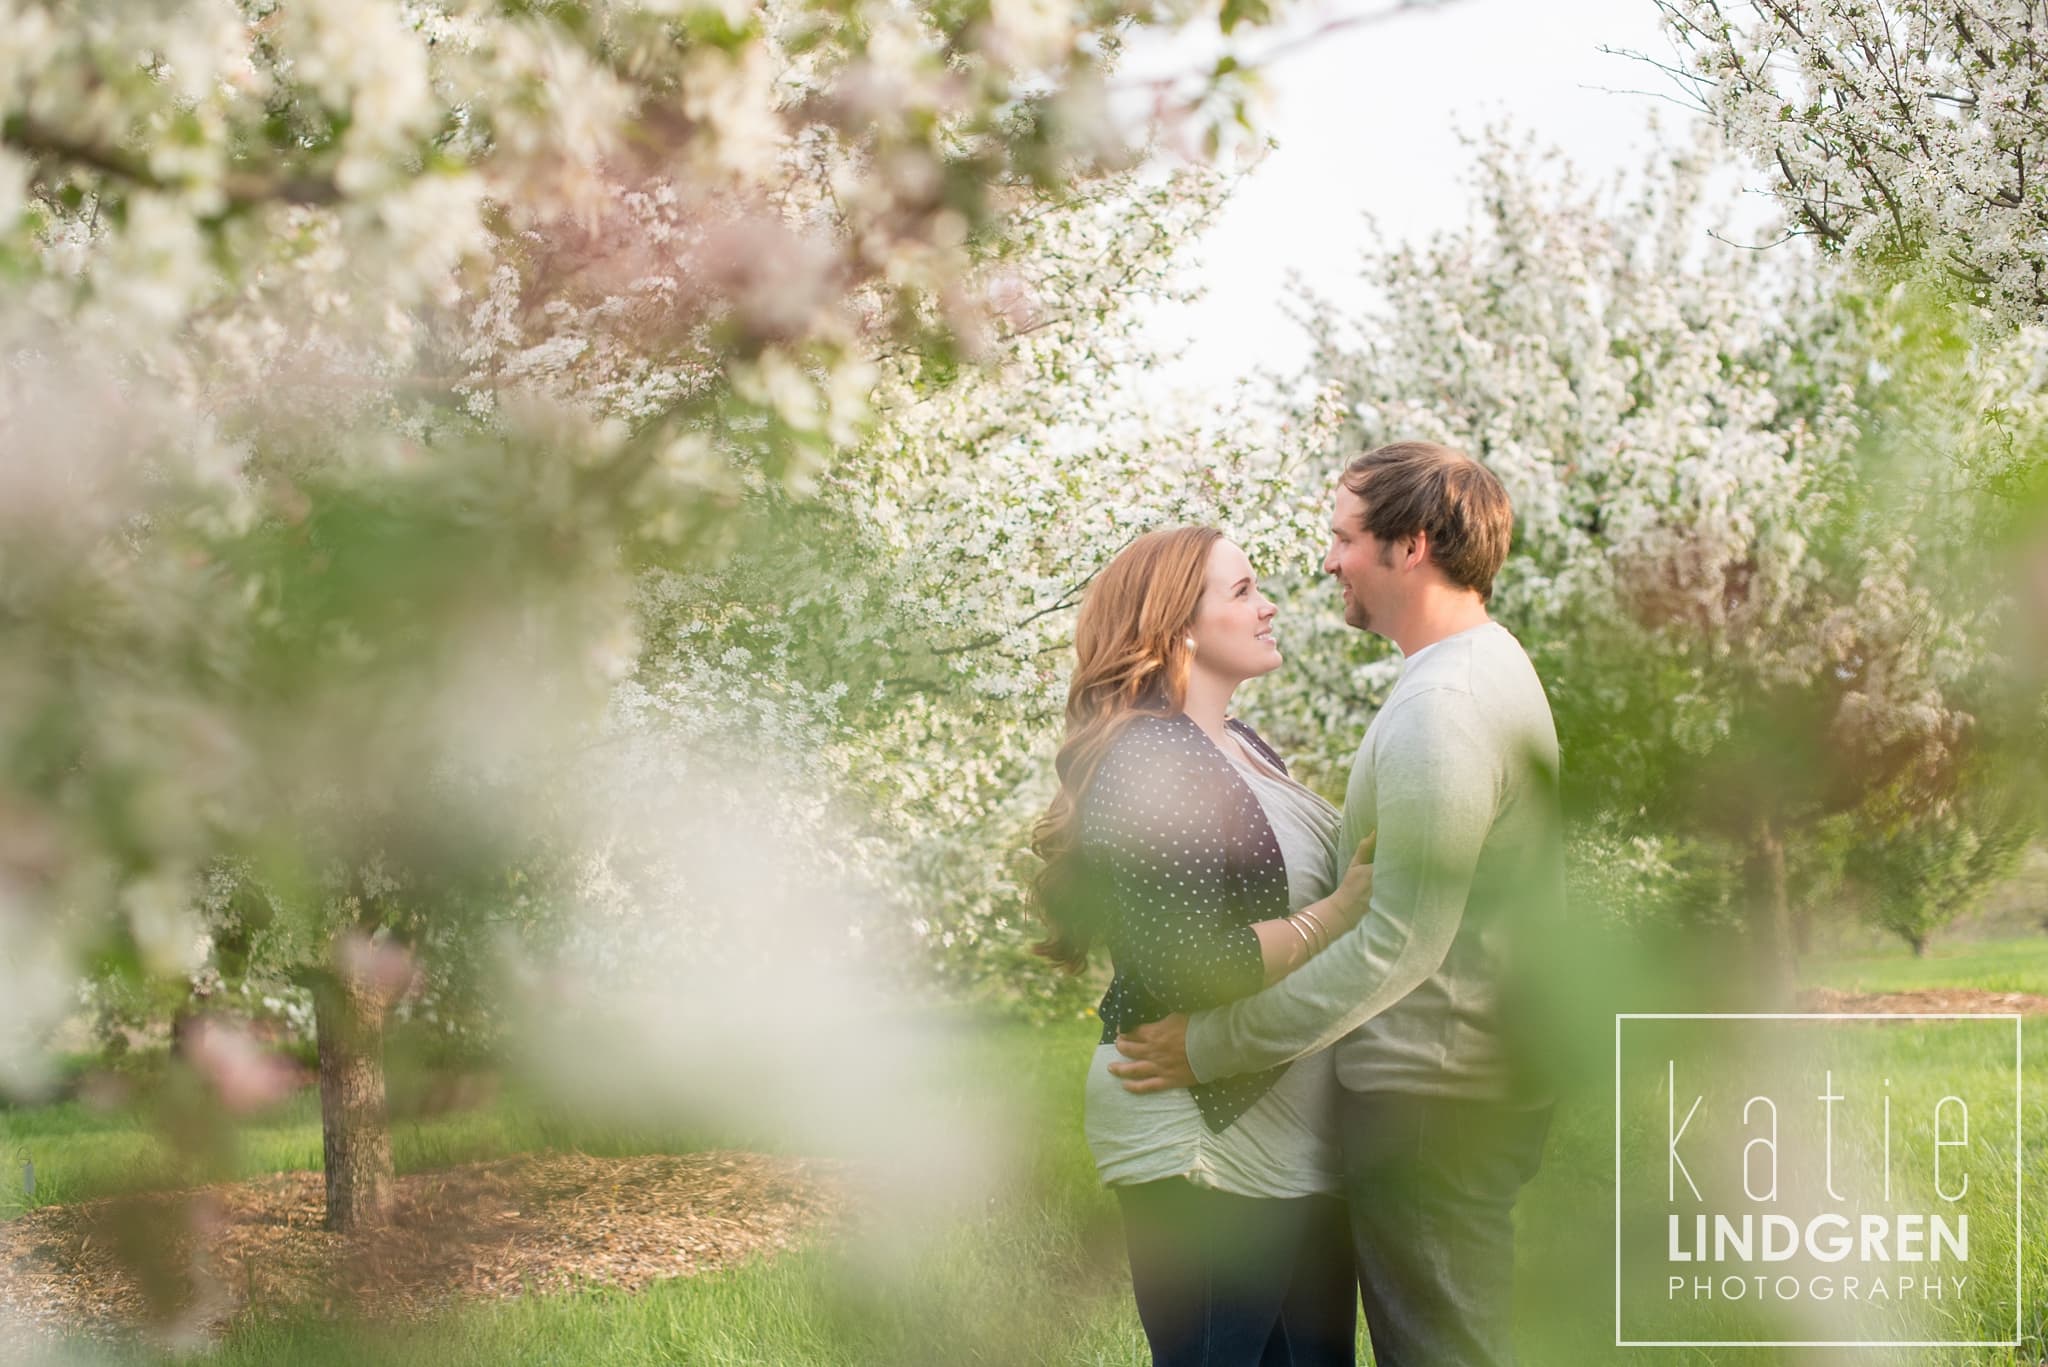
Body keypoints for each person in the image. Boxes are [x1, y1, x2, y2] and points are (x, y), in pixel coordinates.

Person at [1110, 442, 1567, 1367]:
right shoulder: (1468, 673)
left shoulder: (1447, 704)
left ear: (1415, 545)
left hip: (1434, 1100)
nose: (1325, 561)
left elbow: (1400, 944)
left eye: (1344, 536)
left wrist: (1211, 1045)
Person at [1031, 524, 1377, 1367]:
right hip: (1201, 1141)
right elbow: (1191, 962)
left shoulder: (1245, 747)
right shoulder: (1148, 757)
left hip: (1289, 1134)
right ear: (1177, 624)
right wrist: (1341, 910)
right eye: (1243, 590)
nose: (1269, 606)